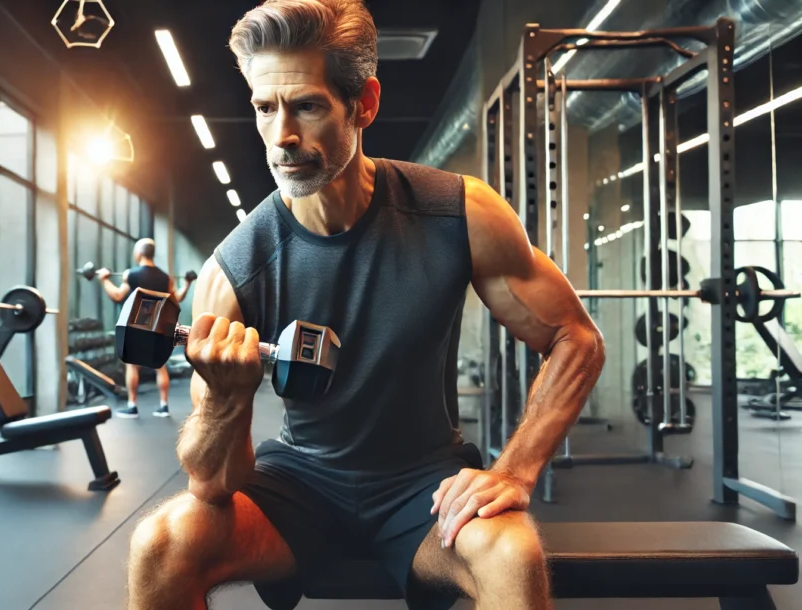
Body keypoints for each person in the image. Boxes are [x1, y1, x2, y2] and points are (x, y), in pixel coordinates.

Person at [126, 1, 605, 608]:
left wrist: (515, 469)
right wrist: (225, 400)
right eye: (264, 109)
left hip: (424, 484)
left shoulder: (459, 213)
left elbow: (576, 338)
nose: (282, 137)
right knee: (160, 543)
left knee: (514, 553)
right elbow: (213, 483)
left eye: (307, 106)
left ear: (364, 104)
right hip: (298, 483)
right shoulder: (234, 269)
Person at [97, 238, 194, 418]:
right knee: (160, 365)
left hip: (137, 324)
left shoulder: (130, 274)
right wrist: (187, 283)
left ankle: (132, 405)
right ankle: (164, 406)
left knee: (133, 366)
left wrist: (104, 280)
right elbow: (177, 298)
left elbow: (118, 296)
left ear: (139, 253)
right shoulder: (166, 278)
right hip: (159, 325)